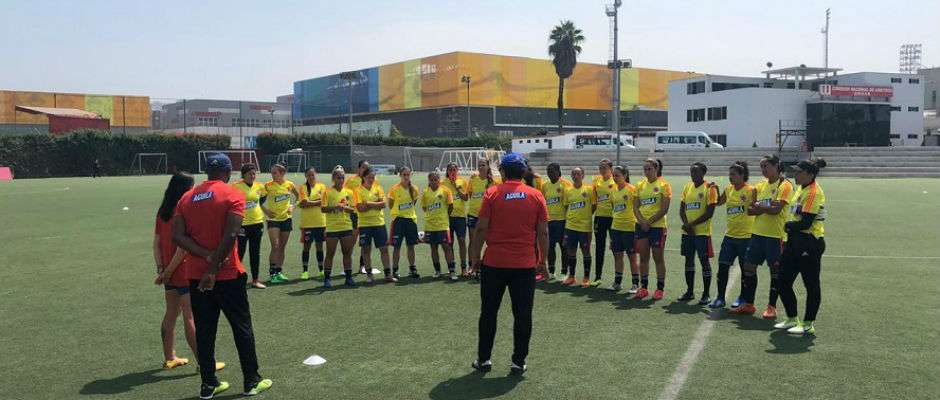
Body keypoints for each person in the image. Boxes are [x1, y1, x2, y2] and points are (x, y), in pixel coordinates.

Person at [172, 153, 271, 399]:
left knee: (205, 330)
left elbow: (178, 237)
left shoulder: (187, 197)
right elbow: (231, 234)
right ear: (227, 172)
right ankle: (251, 381)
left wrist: (205, 258)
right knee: (241, 327)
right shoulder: (232, 194)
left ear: (207, 172)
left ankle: (208, 384)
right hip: (227, 274)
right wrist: (214, 268)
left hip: (195, 275)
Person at [469, 152, 549, 375]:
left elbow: (481, 228)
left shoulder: (492, 193)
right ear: (523, 172)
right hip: (524, 266)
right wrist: (543, 261)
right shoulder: (536, 195)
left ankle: (484, 359)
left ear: (503, 172)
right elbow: (543, 232)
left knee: (488, 313)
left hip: (494, 263)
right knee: (523, 314)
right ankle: (518, 362)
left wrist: (475, 258)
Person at [730, 154, 793, 317]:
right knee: (749, 267)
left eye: (766, 166)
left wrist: (761, 206)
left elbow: (776, 210)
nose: (764, 170)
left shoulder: (785, 185)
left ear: (776, 166)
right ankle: (749, 304)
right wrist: (767, 205)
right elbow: (750, 210)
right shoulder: (760, 186)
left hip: (775, 236)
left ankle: (771, 307)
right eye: (762, 167)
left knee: (775, 271)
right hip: (757, 234)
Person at [775, 159, 827, 335]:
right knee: (782, 281)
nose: (795, 174)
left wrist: (788, 225)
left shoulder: (813, 192)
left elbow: (805, 223)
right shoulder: (801, 188)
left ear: (810, 175)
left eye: (799, 172)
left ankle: (808, 323)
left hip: (809, 243)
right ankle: (791, 318)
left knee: (811, 284)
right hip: (794, 242)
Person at [154, 172, 200, 369]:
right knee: (190, 315)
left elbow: (156, 244)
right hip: (182, 272)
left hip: (168, 273)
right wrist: (169, 271)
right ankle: (203, 363)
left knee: (171, 313)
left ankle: (169, 357)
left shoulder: (162, 211)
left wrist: (161, 270)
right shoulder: (184, 212)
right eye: (192, 187)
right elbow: (182, 249)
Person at [710, 161, 756, 309]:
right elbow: (718, 202)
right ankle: (720, 298)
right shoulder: (729, 189)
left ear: (742, 175)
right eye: (729, 174)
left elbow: (756, 207)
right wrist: (716, 189)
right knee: (723, 267)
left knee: (745, 270)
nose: (730, 177)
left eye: (733, 174)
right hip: (729, 237)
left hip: (746, 238)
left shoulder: (750, 190)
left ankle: (743, 298)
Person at [678, 162, 719, 305]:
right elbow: (682, 209)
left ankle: (706, 294)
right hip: (688, 233)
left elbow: (710, 212)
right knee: (688, 261)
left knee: (704, 262)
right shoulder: (687, 187)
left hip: (702, 233)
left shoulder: (710, 188)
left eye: (696, 172)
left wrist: (691, 224)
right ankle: (689, 291)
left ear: (703, 172)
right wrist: (686, 224)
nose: (693, 174)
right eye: (691, 171)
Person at [633, 158, 671, 300]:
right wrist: (642, 222)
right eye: (645, 169)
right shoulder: (639, 185)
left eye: (649, 169)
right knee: (643, 258)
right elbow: (635, 206)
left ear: (656, 169)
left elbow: (664, 209)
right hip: (641, 226)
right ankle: (644, 287)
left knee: (658, 258)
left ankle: (660, 289)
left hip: (657, 227)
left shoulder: (664, 185)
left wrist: (649, 222)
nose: (647, 172)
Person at [322, 166, 358, 288]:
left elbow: (353, 209)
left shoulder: (349, 192)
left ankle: (348, 277)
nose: (341, 179)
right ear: (333, 178)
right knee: (330, 253)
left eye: (342, 177)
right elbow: (323, 208)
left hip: (346, 226)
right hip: (332, 227)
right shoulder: (327, 192)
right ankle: (327, 279)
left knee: (347, 253)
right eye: (338, 177)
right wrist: (335, 208)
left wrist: (345, 208)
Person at [354, 167, 392, 284]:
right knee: (366, 250)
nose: (371, 179)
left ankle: (388, 275)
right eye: (369, 177)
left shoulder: (378, 188)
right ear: (364, 178)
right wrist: (376, 204)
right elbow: (360, 208)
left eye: (373, 177)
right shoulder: (358, 190)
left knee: (384, 249)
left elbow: (383, 204)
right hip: (365, 225)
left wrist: (369, 204)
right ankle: (369, 275)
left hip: (379, 223)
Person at [233, 164, 268, 289]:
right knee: (239, 253)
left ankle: (255, 280)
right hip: (242, 225)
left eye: (254, 173)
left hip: (257, 223)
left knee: (255, 252)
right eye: (250, 174)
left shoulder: (260, 186)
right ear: (243, 174)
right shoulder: (236, 186)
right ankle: (235, 280)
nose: (253, 176)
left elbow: (262, 198)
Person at [263, 164, 299, 283]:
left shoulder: (289, 185)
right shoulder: (268, 186)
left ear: (282, 173)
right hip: (273, 220)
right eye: (272, 173)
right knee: (275, 246)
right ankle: (272, 274)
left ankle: (279, 272)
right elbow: (258, 201)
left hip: (286, 219)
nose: (272, 175)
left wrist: (293, 206)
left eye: (275, 173)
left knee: (282, 247)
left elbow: (298, 196)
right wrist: (266, 210)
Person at [560, 167, 595, 287]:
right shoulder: (567, 190)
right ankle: (571, 276)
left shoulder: (589, 189)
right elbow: (565, 206)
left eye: (578, 174)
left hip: (584, 227)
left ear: (583, 175)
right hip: (570, 226)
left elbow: (594, 206)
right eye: (573, 174)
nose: (575, 176)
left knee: (586, 251)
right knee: (571, 251)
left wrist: (585, 216)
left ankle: (586, 278)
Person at [607, 165, 640, 293]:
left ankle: (635, 284)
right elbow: (613, 207)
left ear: (625, 175)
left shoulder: (632, 189)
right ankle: (617, 282)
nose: (615, 178)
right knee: (617, 256)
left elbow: (638, 206)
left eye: (617, 175)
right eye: (614, 175)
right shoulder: (613, 190)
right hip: (616, 227)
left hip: (629, 228)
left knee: (632, 256)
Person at [422, 171, 458, 280]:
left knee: (446, 247)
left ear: (439, 180)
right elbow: (424, 207)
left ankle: (452, 271)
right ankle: (437, 271)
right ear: (429, 180)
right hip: (430, 226)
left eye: (435, 179)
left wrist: (444, 216)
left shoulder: (446, 191)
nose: (433, 182)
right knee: (433, 248)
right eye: (431, 180)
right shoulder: (425, 192)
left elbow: (450, 206)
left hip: (442, 225)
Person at [388, 167, 421, 279]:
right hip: (398, 221)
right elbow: (390, 205)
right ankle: (395, 270)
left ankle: (412, 268)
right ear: (400, 175)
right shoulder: (394, 189)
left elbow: (414, 202)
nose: (406, 177)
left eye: (408, 174)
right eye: (404, 175)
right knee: (397, 247)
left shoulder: (415, 189)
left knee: (411, 246)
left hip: (411, 220)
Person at [539, 163, 571, 280]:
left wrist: (568, 221)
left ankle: (564, 272)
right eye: (548, 170)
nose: (550, 173)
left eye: (552, 171)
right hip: (549, 221)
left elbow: (568, 204)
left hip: (562, 221)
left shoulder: (566, 184)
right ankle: (551, 271)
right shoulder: (545, 186)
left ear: (558, 172)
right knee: (549, 247)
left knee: (564, 247)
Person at [298, 167, 327, 279]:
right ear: (305, 176)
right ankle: (305, 271)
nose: (311, 177)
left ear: (316, 175)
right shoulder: (303, 187)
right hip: (307, 224)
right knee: (306, 247)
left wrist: (309, 203)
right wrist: (317, 202)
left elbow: (324, 202)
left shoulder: (322, 187)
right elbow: (303, 203)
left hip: (320, 222)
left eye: (312, 175)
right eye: (308, 175)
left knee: (319, 247)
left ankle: (321, 270)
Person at [591, 159, 616, 287]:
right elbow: (594, 200)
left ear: (610, 168)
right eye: (600, 167)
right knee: (599, 247)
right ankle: (597, 276)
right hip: (599, 218)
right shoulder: (596, 181)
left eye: (604, 167)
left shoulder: (615, 180)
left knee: (616, 249)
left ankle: (618, 278)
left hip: (613, 218)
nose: (602, 169)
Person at [442, 162, 470, 276]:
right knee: (449, 243)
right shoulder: (442, 183)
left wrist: (456, 187)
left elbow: (465, 198)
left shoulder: (462, 182)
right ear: (447, 171)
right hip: (447, 217)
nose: (452, 172)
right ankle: (451, 267)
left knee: (462, 241)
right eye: (450, 170)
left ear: (457, 170)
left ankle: (464, 268)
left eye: (454, 170)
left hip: (460, 217)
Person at [467, 159, 499, 253]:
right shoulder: (473, 180)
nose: (481, 167)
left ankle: (485, 263)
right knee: (473, 241)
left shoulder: (494, 182)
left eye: (483, 165)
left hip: (487, 216)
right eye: (479, 165)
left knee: (488, 241)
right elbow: (470, 195)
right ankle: (472, 265)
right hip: (473, 214)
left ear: (488, 167)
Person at [345, 160, 370, 274]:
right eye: (364, 167)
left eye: (367, 167)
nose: (365, 169)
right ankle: (347, 265)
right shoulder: (351, 181)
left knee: (364, 241)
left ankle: (362, 266)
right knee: (353, 240)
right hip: (354, 214)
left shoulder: (370, 180)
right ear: (359, 168)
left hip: (366, 215)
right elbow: (343, 194)